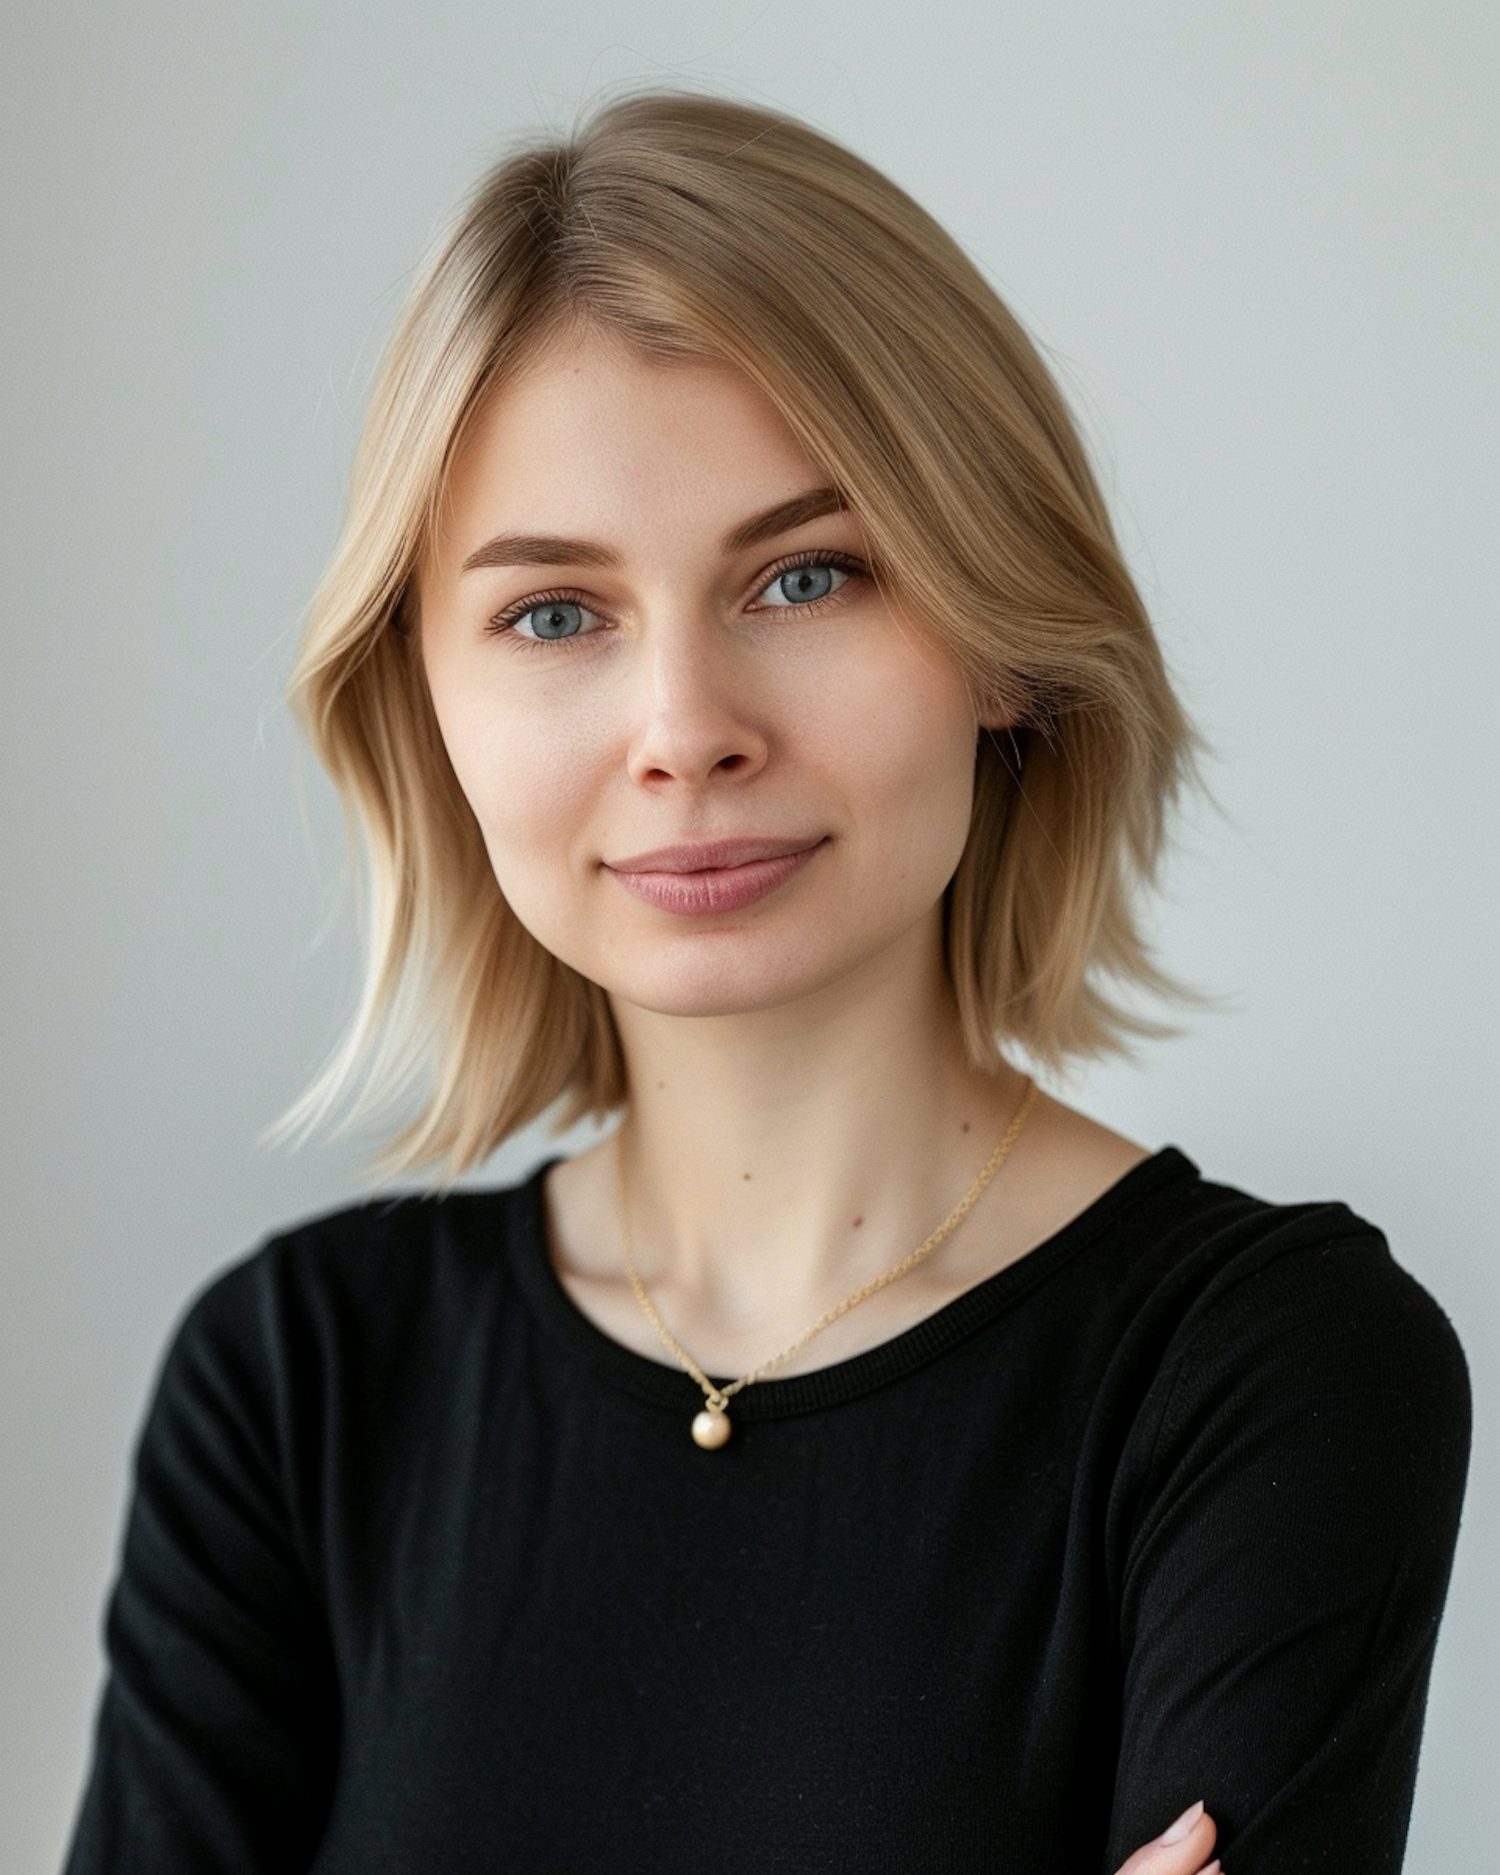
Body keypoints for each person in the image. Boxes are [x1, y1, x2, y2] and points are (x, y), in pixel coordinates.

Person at [64, 93, 1469, 1874]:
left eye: (807, 575)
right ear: (428, 701)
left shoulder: (1267, 1372)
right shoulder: (293, 1389)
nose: (685, 735)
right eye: (556, 614)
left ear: (1002, 642)